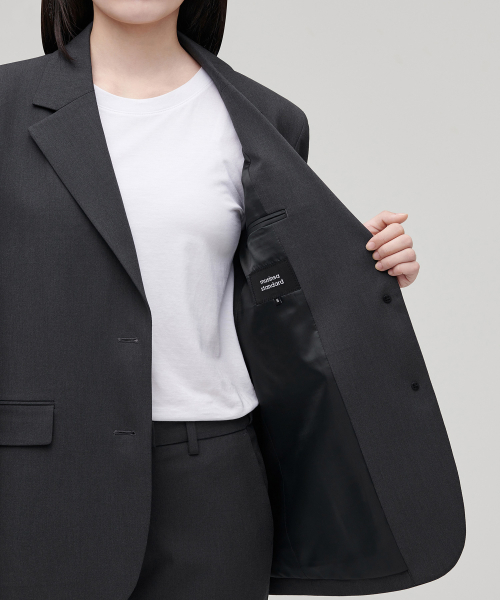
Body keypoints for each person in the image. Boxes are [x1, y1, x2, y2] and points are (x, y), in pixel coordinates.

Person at [0, 1, 465, 599]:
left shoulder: (268, 120)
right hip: (40, 479)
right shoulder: (6, 106)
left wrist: (364, 264)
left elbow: (275, 296)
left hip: (211, 483)